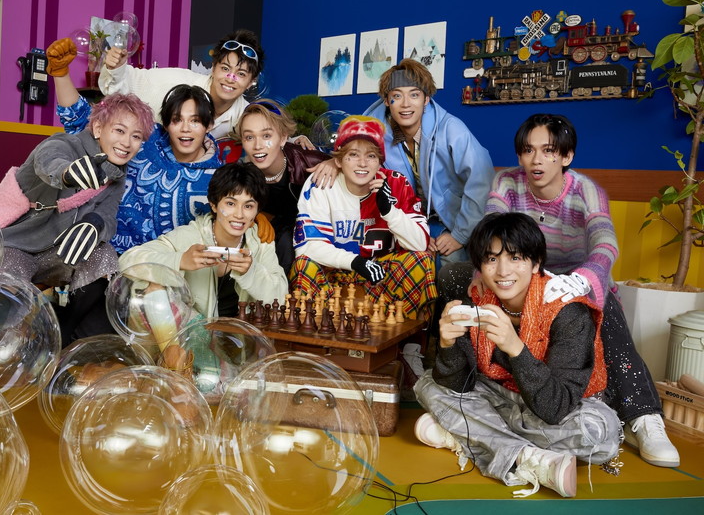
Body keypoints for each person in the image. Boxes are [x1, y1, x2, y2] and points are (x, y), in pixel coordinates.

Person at [479, 113, 679, 467]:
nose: (537, 160)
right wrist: (482, 268)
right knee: (455, 277)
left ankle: (644, 415)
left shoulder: (586, 190)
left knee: (605, 308)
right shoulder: (507, 182)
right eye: (528, 150)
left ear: (566, 156)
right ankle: (472, 384)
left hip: (574, 280)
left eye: (548, 151)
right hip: (524, 278)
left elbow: (605, 244)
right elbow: (491, 229)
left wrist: (584, 278)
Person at [414, 212, 621, 498]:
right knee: (428, 384)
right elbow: (458, 386)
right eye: (491, 259)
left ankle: (465, 433)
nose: (502, 271)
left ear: (536, 263)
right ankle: (527, 458)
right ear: (480, 265)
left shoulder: (568, 311)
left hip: (559, 409)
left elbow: (557, 408)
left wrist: (515, 347)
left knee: (599, 431)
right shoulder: (476, 302)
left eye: (515, 258)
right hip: (501, 398)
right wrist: (448, 345)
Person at [0, 91, 154, 344]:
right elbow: (48, 159)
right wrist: (67, 173)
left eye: (136, 136)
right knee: (4, 294)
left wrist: (96, 223)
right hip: (15, 244)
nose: (127, 143)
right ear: (98, 129)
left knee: (103, 255)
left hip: (58, 252)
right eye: (119, 131)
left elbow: (109, 216)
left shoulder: (116, 174)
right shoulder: (65, 143)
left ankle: (65, 339)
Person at [47, 38, 226, 254]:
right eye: (177, 120)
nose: (185, 128)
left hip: (162, 266)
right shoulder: (143, 138)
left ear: (209, 125)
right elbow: (84, 120)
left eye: (195, 121)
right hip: (99, 251)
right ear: (165, 124)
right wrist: (61, 74)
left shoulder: (218, 179)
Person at [291, 115, 437, 318]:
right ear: (339, 160)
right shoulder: (322, 183)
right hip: (334, 273)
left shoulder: (396, 183)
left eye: (371, 156)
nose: (362, 163)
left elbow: (420, 243)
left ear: (380, 162)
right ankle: (313, 332)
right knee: (303, 265)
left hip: (380, 275)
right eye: (353, 155)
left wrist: (390, 211)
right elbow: (307, 247)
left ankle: (410, 336)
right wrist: (356, 262)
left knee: (421, 260)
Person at [364, 58, 495, 266]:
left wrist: (460, 235)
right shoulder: (374, 133)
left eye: (414, 95)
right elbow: (351, 157)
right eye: (397, 96)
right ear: (387, 101)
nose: (406, 104)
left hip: (454, 221)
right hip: (403, 223)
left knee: (452, 263)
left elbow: (482, 181)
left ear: (426, 99)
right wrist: (332, 163)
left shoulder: (451, 129)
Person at [118, 162, 288, 319]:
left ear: (257, 211)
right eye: (230, 203)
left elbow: (281, 299)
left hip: (241, 337)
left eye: (248, 206)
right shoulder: (191, 236)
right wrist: (181, 260)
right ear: (213, 205)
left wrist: (251, 272)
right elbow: (127, 261)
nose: (239, 214)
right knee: (153, 288)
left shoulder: (260, 241)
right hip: (193, 333)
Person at [99, 29, 264, 139]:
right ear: (213, 68)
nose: (230, 78)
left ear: (251, 81)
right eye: (225, 68)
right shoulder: (177, 81)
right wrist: (116, 66)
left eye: (241, 74)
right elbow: (129, 81)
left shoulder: (247, 115)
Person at [236, 99, 336, 274]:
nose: (257, 146)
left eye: (266, 136)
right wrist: (256, 217)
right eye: (249, 137)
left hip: (317, 237)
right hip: (276, 240)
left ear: (283, 138)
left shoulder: (309, 162)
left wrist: (337, 163)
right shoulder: (243, 175)